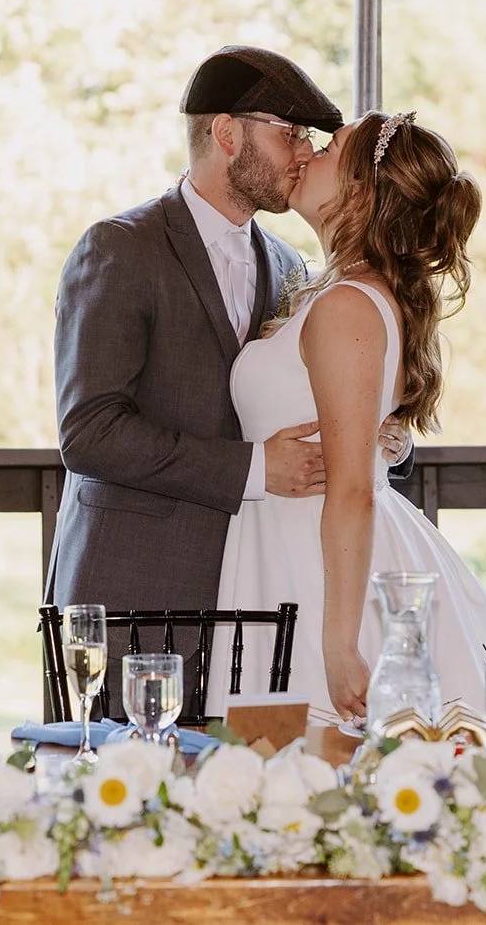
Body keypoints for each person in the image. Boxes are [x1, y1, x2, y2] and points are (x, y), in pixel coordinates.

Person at [46, 46, 411, 706]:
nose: (304, 151)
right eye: (289, 133)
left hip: (256, 600)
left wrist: (379, 434)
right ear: (227, 133)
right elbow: (89, 431)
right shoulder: (119, 248)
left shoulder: (290, 264)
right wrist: (252, 470)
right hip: (135, 597)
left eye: (308, 138)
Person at [206, 110, 486, 725]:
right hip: (285, 554)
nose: (307, 153)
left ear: (359, 190)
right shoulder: (328, 290)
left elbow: (350, 490)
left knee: (326, 774)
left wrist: (339, 643)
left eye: (330, 149)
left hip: (329, 577)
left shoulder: (348, 305)